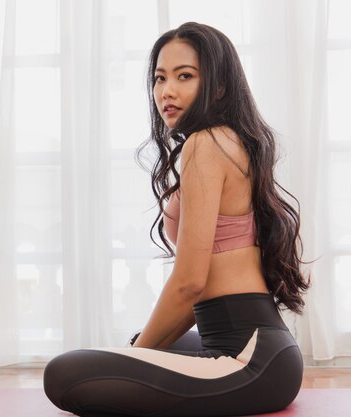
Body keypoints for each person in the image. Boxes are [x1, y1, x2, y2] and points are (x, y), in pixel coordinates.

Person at [43, 22, 310, 417]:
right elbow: (196, 290)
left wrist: (132, 358)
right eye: (159, 78)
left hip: (249, 361)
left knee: (63, 374)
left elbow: (189, 282)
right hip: (256, 348)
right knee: (136, 344)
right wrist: (137, 352)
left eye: (185, 76)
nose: (166, 91)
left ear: (219, 86)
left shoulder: (208, 143)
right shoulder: (229, 139)